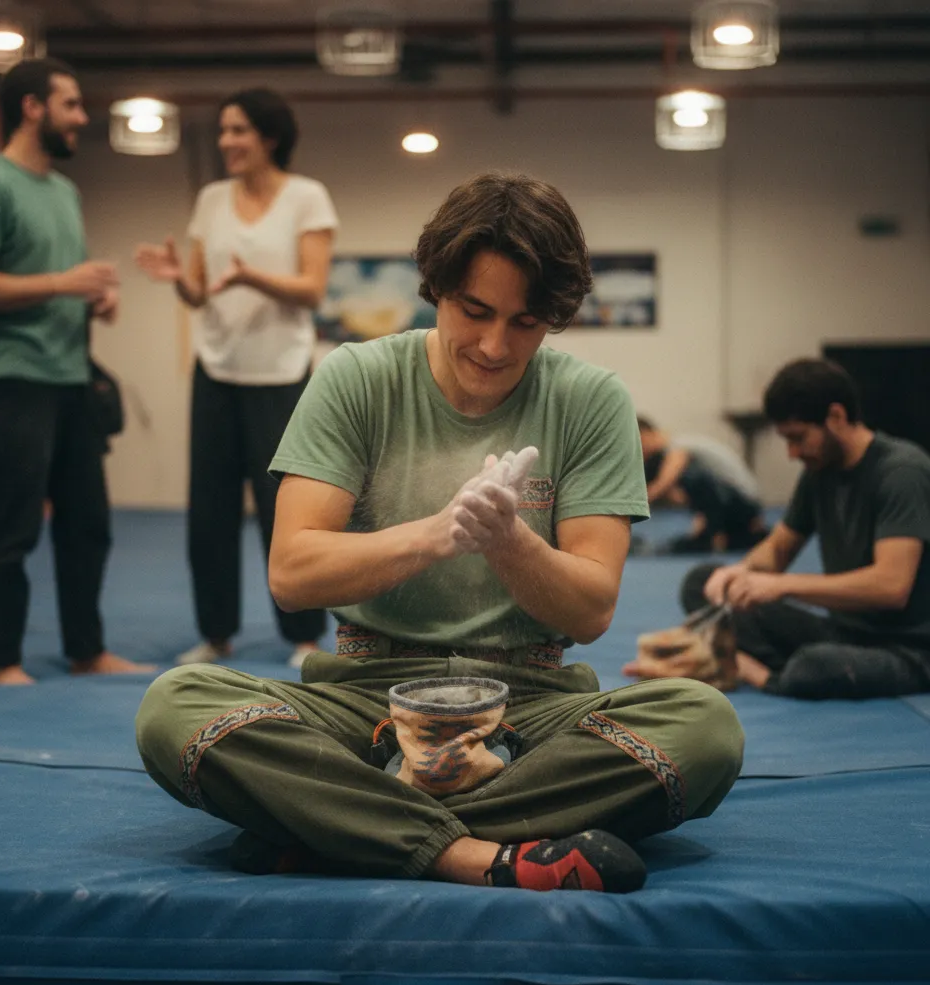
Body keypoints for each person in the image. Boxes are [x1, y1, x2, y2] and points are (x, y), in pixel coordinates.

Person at [135, 172, 744, 893]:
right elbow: (292, 573)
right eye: (474, 310)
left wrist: (509, 541)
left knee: (705, 726)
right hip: (365, 698)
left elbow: (589, 610)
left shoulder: (591, 400)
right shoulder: (356, 378)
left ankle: (336, 826)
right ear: (436, 287)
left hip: (528, 704)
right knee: (174, 707)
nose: (494, 345)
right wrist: (438, 534)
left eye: (525, 322)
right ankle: (479, 856)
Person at [0, 58, 150, 685]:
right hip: (12, 377)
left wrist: (96, 298)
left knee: (88, 523)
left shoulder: (65, 192)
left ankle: (87, 651)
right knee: (12, 525)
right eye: (71, 105)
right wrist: (64, 283)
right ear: (32, 108)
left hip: (70, 377)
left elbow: (60, 281)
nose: (82, 118)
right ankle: (2, 659)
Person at [135, 88, 336, 669]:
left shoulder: (307, 197)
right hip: (217, 371)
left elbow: (312, 289)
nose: (226, 141)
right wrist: (178, 279)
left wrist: (254, 278)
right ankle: (216, 634)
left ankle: (303, 636)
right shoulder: (211, 199)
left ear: (269, 137)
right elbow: (199, 292)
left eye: (238, 130)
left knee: (286, 508)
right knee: (210, 511)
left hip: (282, 373)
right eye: (223, 130)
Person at [680, 358, 930, 699]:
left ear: (836, 417)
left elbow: (891, 586)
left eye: (798, 438)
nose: (792, 453)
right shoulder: (819, 472)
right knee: (701, 583)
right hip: (844, 633)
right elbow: (778, 549)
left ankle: (757, 671)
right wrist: (739, 574)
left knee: (816, 666)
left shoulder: (901, 473)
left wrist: (782, 585)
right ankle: (769, 663)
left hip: (909, 649)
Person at [638, 416, 768, 553]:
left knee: (690, 477)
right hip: (736, 500)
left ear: (647, 434)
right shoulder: (682, 444)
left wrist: (634, 503)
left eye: (640, 443)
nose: (642, 450)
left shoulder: (678, 447)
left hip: (742, 501)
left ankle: (719, 535)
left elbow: (664, 483)